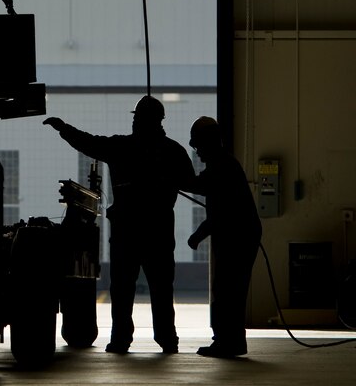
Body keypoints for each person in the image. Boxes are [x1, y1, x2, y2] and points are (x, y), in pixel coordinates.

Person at [44, 95, 195, 354]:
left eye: (137, 117)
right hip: (158, 231)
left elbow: (88, 142)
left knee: (123, 289)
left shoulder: (122, 148)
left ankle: (121, 339)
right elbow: (192, 184)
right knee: (160, 288)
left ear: (144, 119)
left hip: (127, 231)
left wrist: (63, 128)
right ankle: (167, 339)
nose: (135, 121)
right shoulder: (173, 151)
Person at [186, 116, 262, 358]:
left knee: (227, 291)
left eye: (198, 146)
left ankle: (226, 342)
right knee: (231, 291)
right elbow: (218, 211)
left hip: (237, 239)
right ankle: (231, 341)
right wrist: (199, 235)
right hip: (240, 236)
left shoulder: (222, 167)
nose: (197, 152)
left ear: (208, 142)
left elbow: (197, 186)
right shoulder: (224, 165)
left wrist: (198, 234)